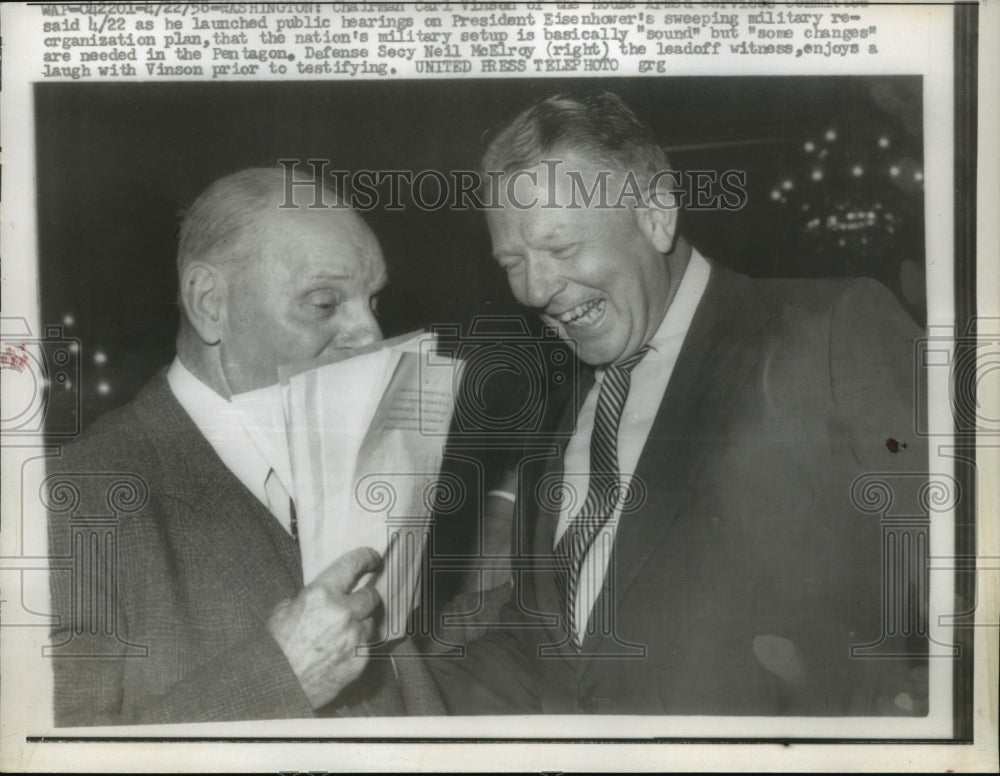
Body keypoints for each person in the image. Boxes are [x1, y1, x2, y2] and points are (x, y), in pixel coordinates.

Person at [427, 92, 929, 715]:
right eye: (513, 262)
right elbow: (546, 648)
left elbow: (975, 566)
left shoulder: (831, 331)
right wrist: (362, 673)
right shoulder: (565, 409)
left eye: (560, 249)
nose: (534, 289)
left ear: (656, 212)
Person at [46, 167, 441, 725]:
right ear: (210, 303)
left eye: (372, 300)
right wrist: (281, 677)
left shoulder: (355, 456)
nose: (371, 337)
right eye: (324, 303)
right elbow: (45, 755)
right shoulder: (73, 499)